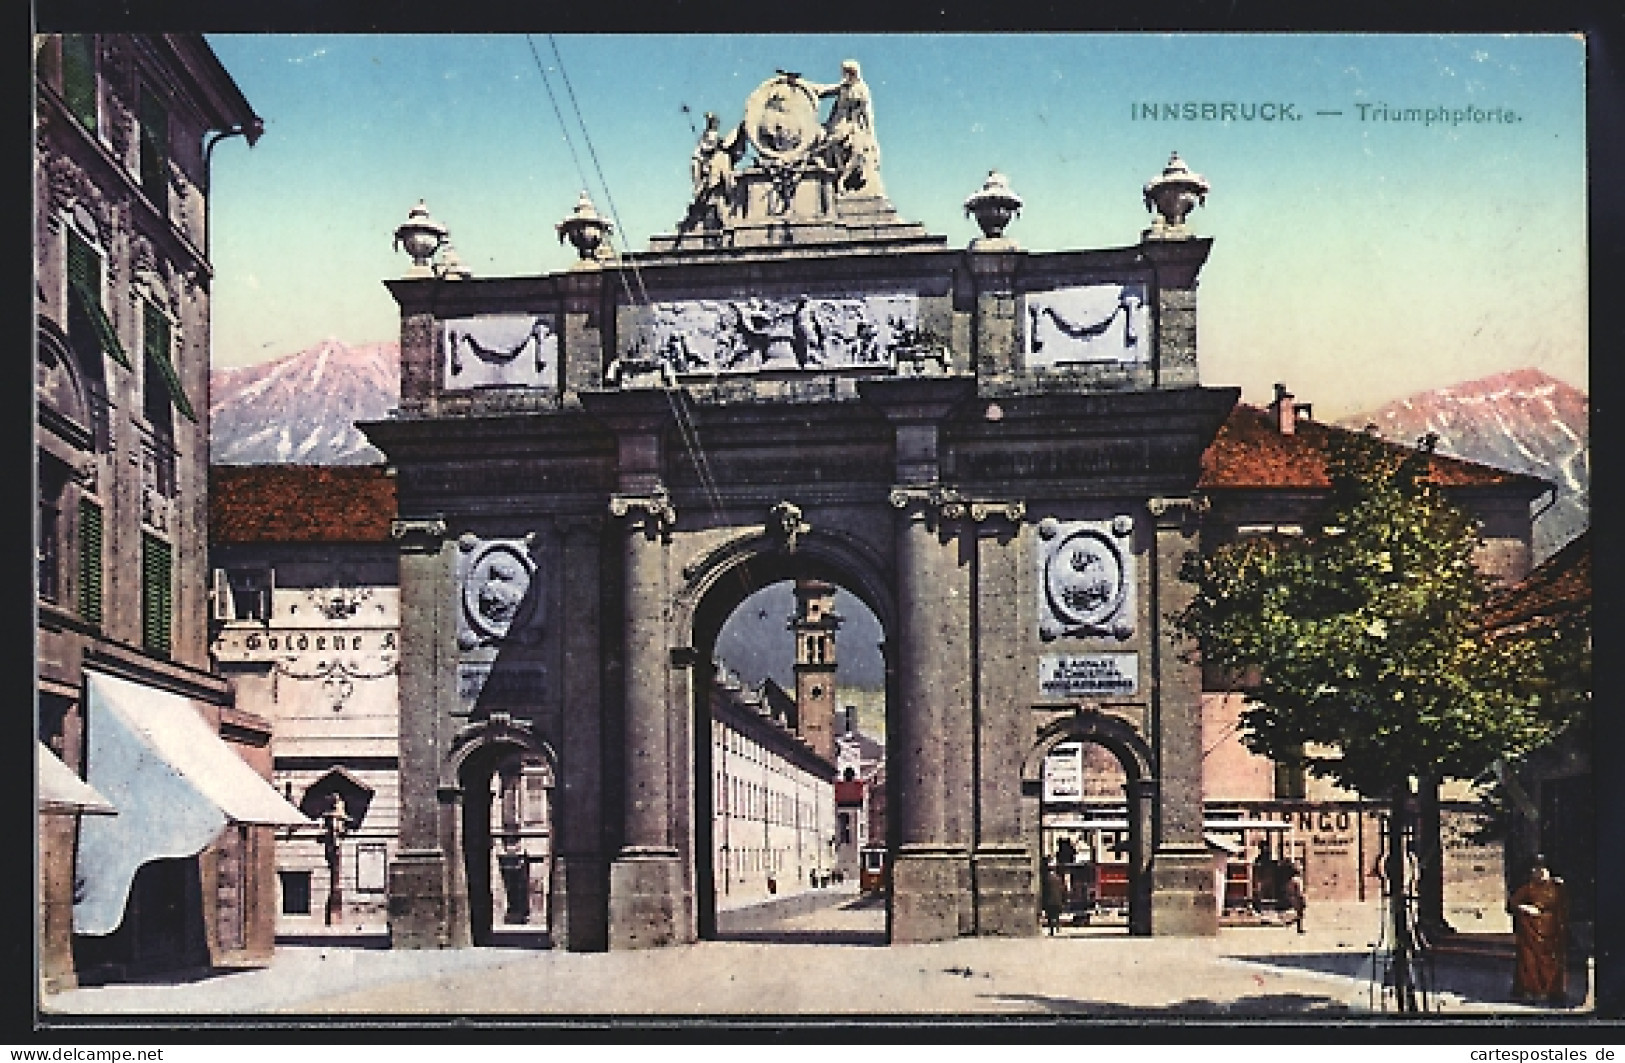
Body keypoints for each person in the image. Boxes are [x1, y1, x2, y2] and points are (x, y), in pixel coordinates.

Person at [794, 61, 883, 194]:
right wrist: (800, 82)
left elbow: (868, 114)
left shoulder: (862, 90)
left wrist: (871, 135)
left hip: (852, 126)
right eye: (844, 72)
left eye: (846, 72)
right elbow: (822, 90)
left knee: (857, 150)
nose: (844, 75)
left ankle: (842, 179)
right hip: (835, 125)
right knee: (820, 140)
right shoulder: (843, 87)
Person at [1508, 855, 1569, 1005]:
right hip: (1531, 931)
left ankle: (1551, 992)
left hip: (1551, 929)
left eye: (1543, 869)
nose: (1540, 872)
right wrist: (1526, 908)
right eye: (1537, 869)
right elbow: (1512, 904)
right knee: (1530, 962)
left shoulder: (1557, 888)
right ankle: (1531, 991)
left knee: (1551, 963)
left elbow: (1563, 908)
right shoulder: (1528, 888)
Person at [1041, 857, 1065, 936]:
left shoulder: (1046, 879)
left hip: (1049, 900)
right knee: (1056, 914)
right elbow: (1062, 889)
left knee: (1050, 916)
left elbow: (1045, 890)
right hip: (1057, 900)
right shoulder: (1058, 879)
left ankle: (1051, 930)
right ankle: (1057, 927)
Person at [1282, 862, 1307, 934]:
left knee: (1299, 914)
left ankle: (1298, 927)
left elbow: (1287, 890)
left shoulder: (1290, 880)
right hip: (1297, 898)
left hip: (1292, 897)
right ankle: (1292, 924)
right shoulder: (1298, 880)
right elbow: (1300, 891)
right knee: (1300, 914)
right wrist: (1302, 898)